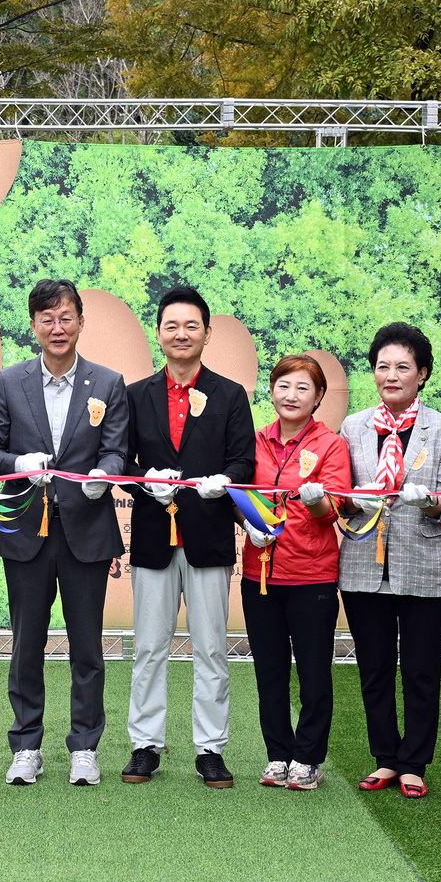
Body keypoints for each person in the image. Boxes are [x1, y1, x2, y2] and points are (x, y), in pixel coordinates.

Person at [0, 279, 132, 787]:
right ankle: (26, 746)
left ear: (81, 322)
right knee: (26, 644)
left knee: (87, 647)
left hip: (86, 531)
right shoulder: (8, 381)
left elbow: (116, 450)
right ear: (33, 326)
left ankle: (85, 746)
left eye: (66, 317)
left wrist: (102, 476)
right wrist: (19, 464)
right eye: (47, 319)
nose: (57, 327)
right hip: (27, 531)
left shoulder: (108, 383)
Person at [121, 287, 254, 788]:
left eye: (191, 326)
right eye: (171, 325)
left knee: (212, 648)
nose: (181, 334)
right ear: (158, 332)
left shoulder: (230, 394)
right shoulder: (136, 395)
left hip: (208, 536)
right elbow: (121, 461)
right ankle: (145, 745)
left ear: (207, 333)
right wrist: (143, 480)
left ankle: (211, 749)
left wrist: (226, 481)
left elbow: (243, 460)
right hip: (154, 538)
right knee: (149, 646)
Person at [339, 322, 441, 799]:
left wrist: (427, 500)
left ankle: (415, 761)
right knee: (373, 667)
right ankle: (385, 757)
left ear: (422, 374)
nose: (390, 375)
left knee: (420, 669)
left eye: (402, 367)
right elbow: (339, 497)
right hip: (362, 565)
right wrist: (354, 501)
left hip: (426, 568)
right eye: (382, 366)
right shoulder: (353, 427)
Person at [240, 354, 351, 791]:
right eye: (284, 385)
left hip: (312, 576)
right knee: (269, 671)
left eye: (303, 388)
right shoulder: (254, 441)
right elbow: (240, 497)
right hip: (260, 573)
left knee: (313, 671)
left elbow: (333, 512)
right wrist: (247, 523)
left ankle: (308, 757)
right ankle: (277, 754)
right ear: (271, 390)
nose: (291, 395)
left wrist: (318, 499)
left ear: (319, 397)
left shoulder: (331, 445)